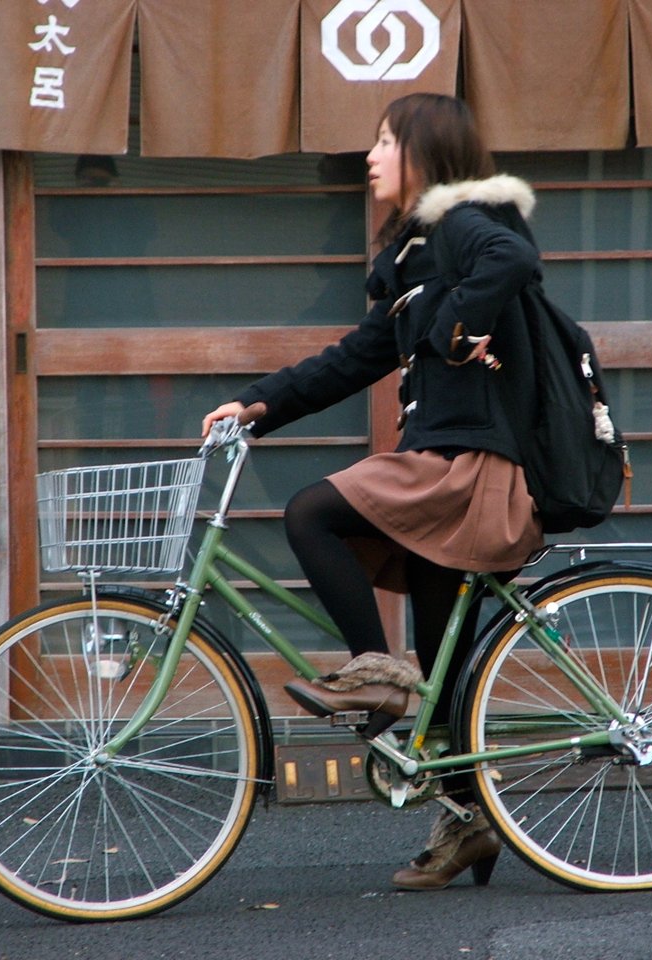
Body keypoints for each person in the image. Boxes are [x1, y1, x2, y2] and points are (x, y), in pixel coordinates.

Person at [200, 93, 545, 891]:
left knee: (311, 512)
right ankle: (469, 822)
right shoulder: (423, 250)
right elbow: (357, 357)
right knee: (445, 659)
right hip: (441, 461)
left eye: (384, 141)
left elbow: (515, 264)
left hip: (468, 464)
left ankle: (373, 672)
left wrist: (456, 321)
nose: (371, 155)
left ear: (423, 152)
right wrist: (259, 404)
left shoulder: (463, 223)